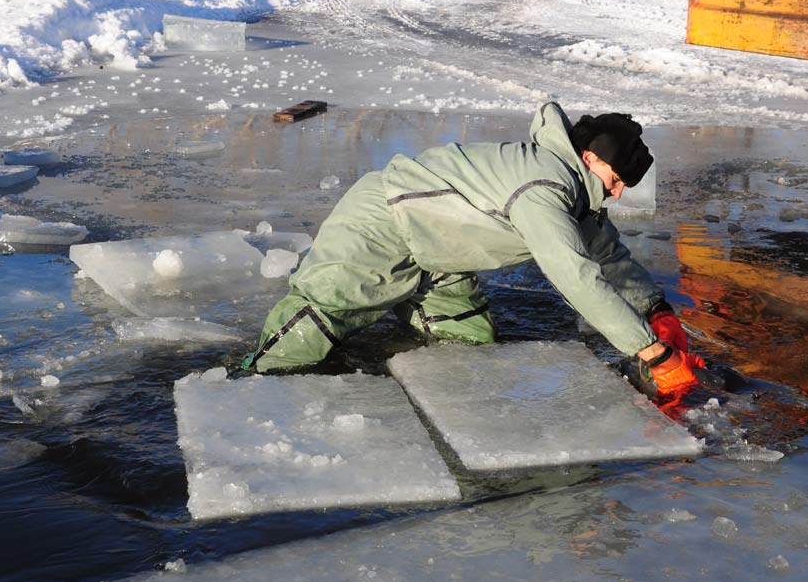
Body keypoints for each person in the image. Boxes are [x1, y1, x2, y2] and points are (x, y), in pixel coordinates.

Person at [242, 102, 704, 400]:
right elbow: (576, 277)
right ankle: (248, 393)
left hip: (440, 257)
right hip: (381, 226)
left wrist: (656, 309)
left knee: (467, 348)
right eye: (617, 181)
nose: (619, 194)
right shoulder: (544, 187)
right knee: (306, 336)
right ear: (591, 159)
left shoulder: (575, 195)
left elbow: (608, 256)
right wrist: (653, 354)